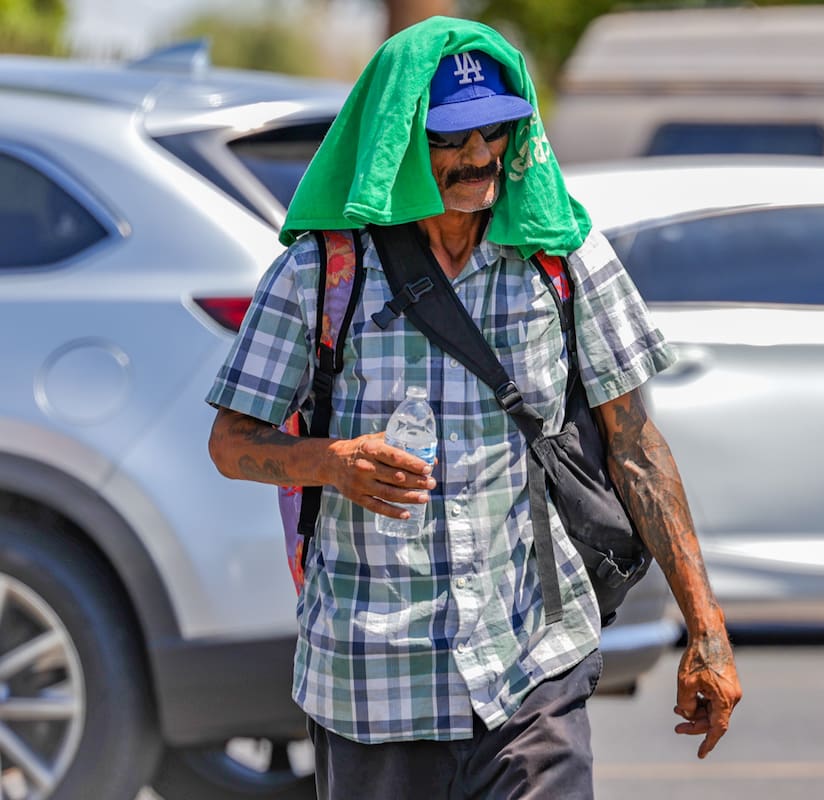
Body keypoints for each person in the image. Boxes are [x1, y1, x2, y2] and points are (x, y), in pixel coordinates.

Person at [206, 16, 741, 799]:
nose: (481, 157)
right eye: (452, 138)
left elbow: (636, 447)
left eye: (496, 131)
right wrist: (330, 462)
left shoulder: (561, 255)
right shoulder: (322, 274)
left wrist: (707, 626)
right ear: (398, 141)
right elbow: (230, 442)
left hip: (532, 671)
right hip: (373, 686)